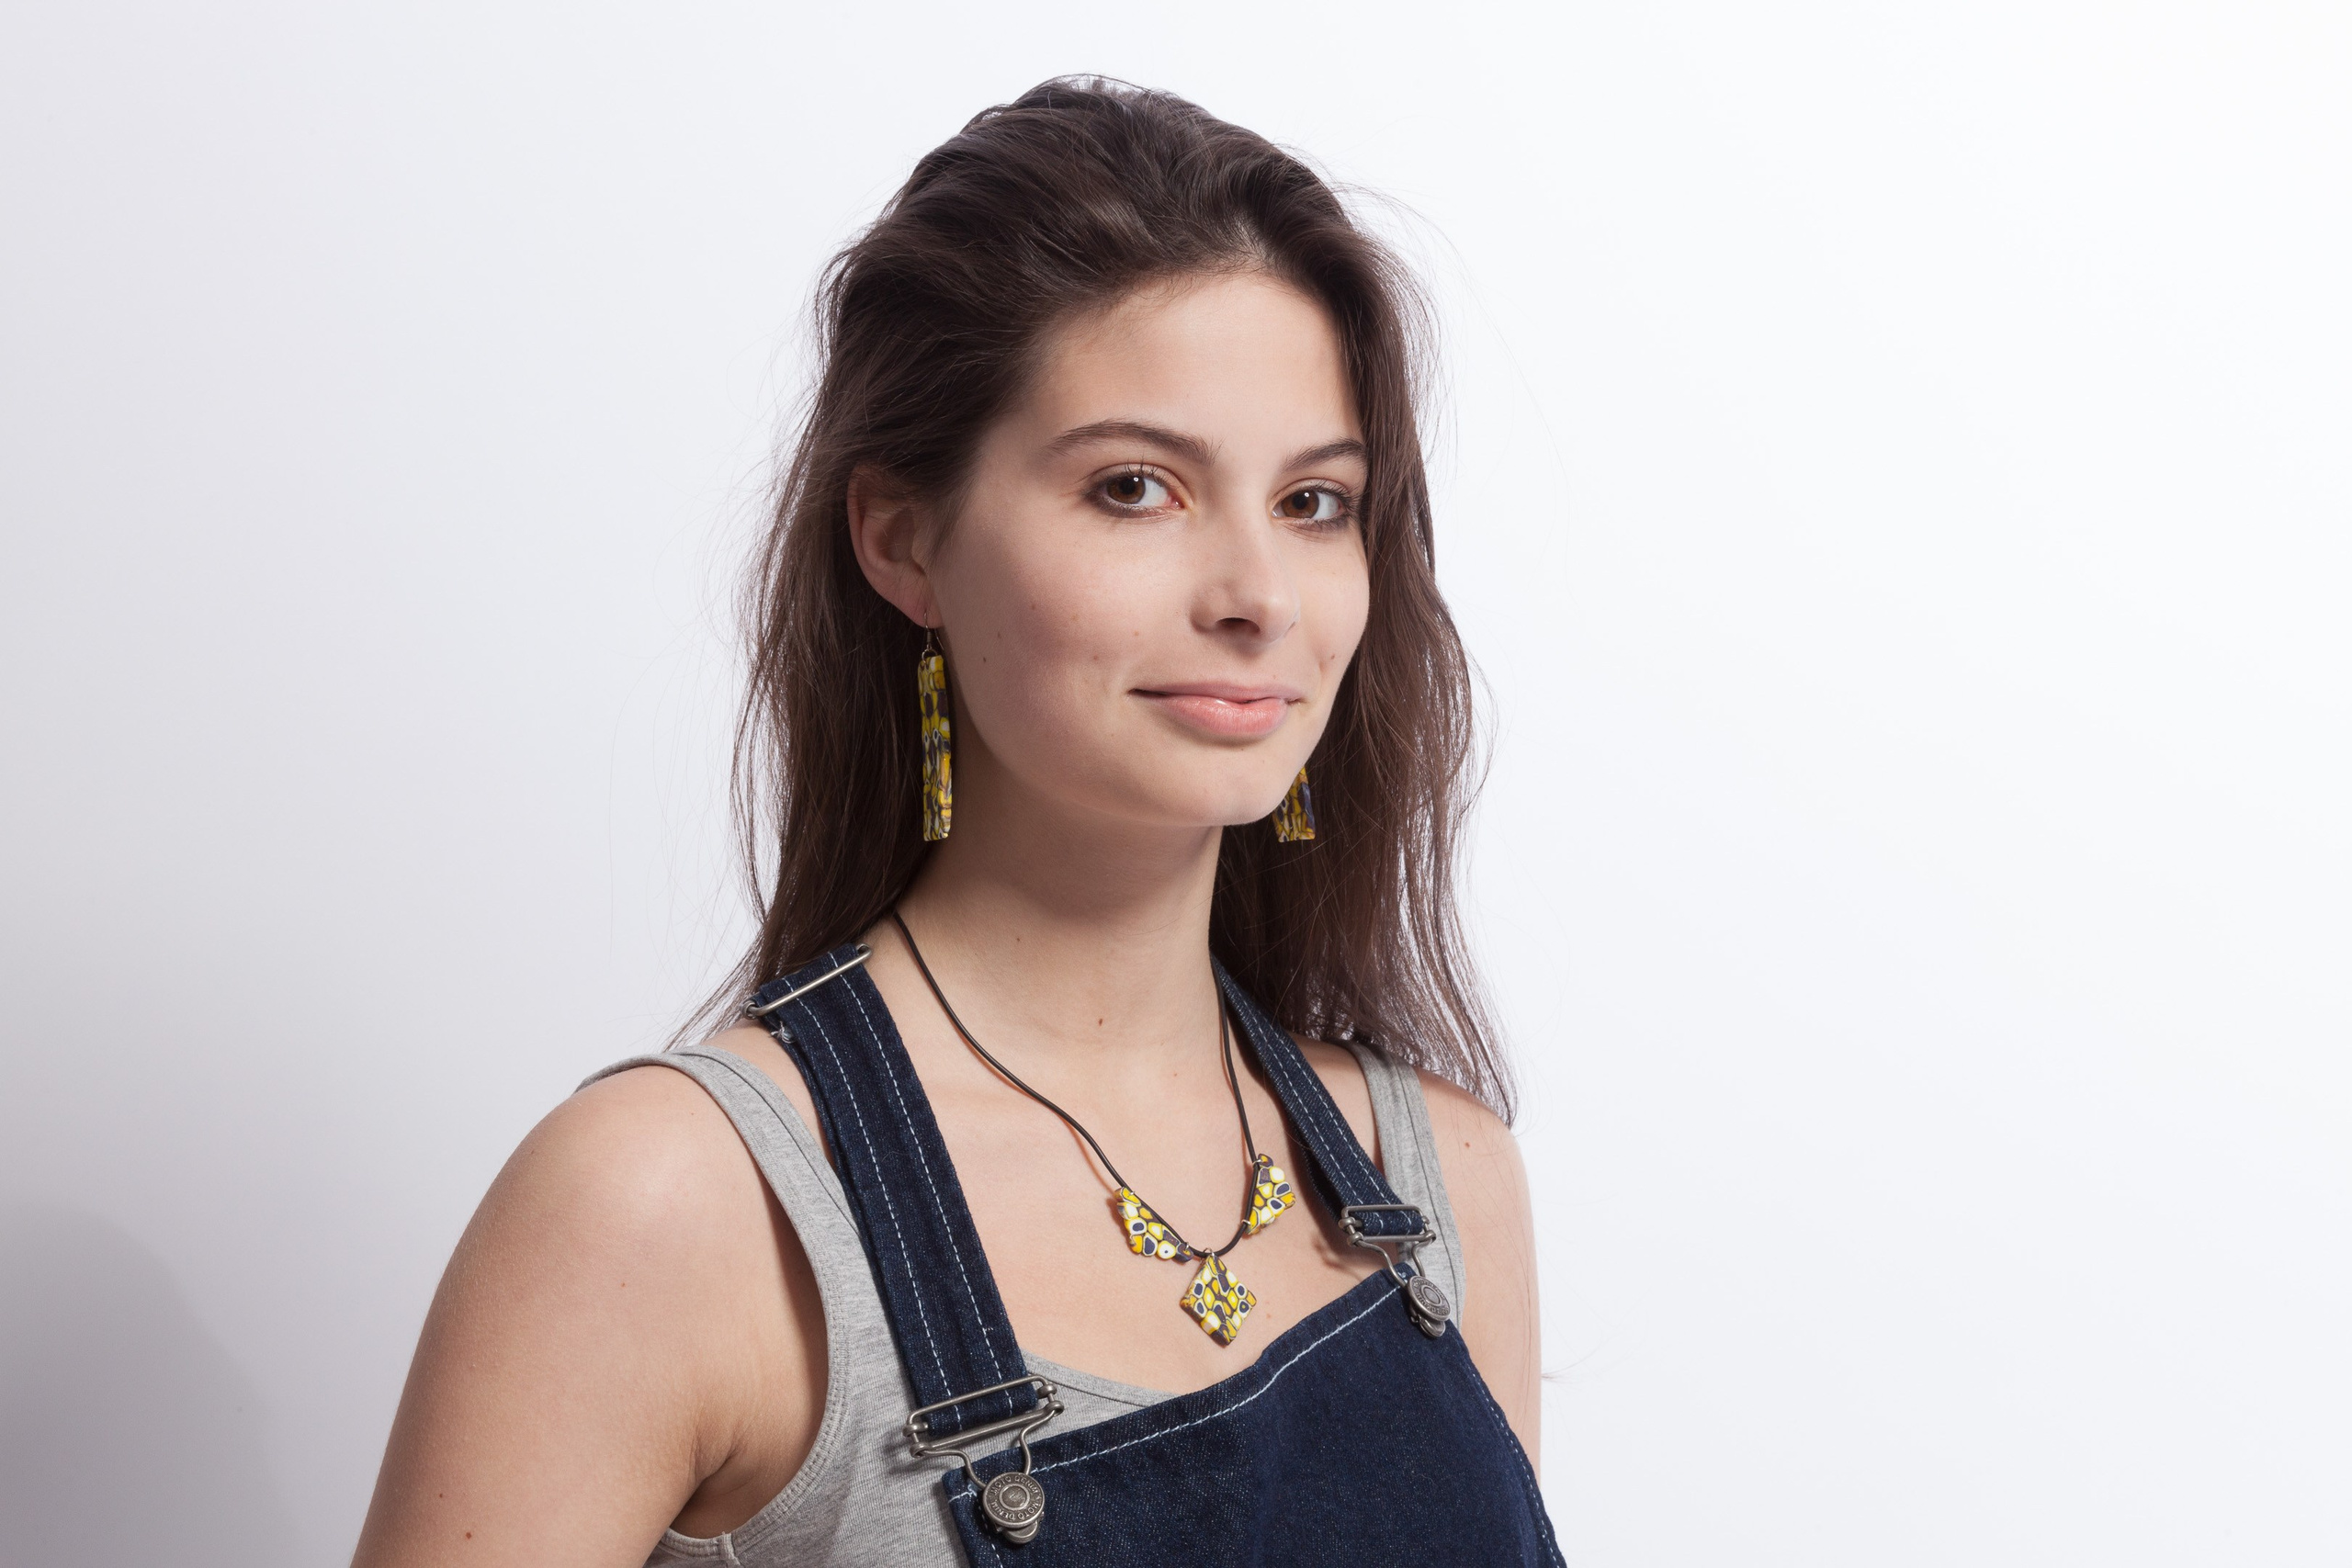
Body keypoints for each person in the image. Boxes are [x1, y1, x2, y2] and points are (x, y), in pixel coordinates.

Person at [354, 76, 1558, 1567]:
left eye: (1316, 502)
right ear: (903, 539)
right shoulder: (670, 1208)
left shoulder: (1439, 1187)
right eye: (1137, 487)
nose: (1257, 593)